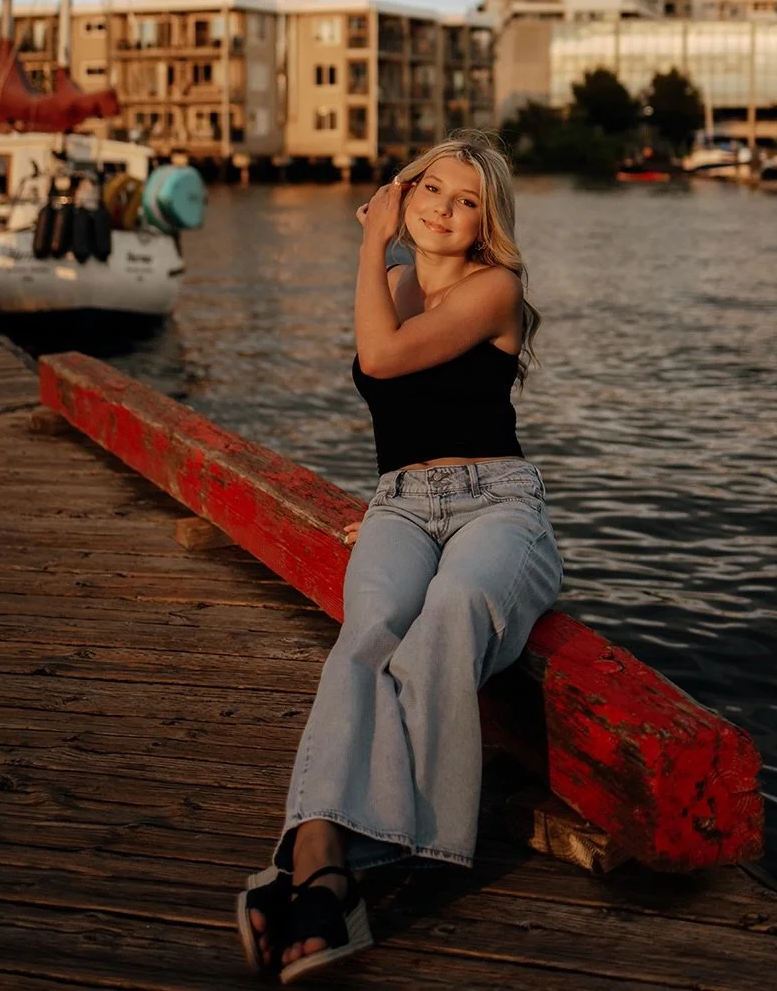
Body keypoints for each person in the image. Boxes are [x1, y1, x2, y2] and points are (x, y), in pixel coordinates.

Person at [236, 131, 563, 984]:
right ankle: (324, 853)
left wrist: (368, 238)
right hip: (400, 505)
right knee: (367, 631)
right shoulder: (390, 282)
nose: (446, 211)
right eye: (432, 191)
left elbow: (380, 359)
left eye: (467, 202)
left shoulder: (499, 288)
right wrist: (378, 260)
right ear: (405, 191)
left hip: (497, 503)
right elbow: (387, 383)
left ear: (488, 223)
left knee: (450, 613)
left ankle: (336, 861)